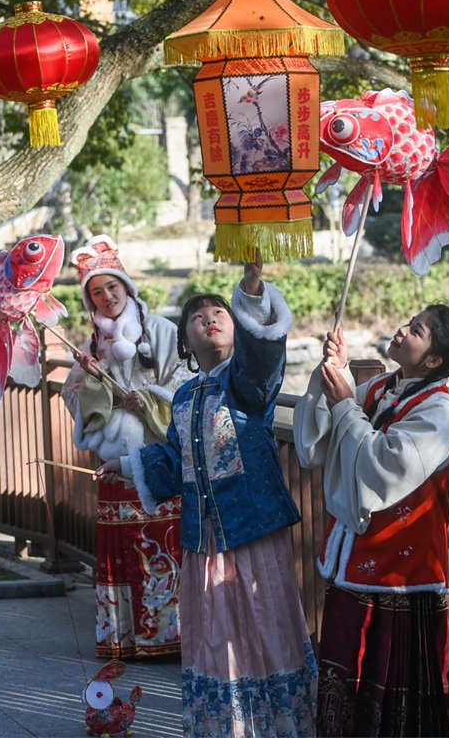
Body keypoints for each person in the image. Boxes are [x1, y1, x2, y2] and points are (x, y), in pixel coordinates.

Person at [97, 253, 318, 738]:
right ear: (186, 339)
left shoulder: (246, 385)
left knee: (265, 626)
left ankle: (279, 726)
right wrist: (125, 464)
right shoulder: (183, 397)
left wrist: (253, 290)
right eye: (198, 316)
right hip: (205, 540)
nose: (210, 319)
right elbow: (176, 463)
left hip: (252, 529)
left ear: (237, 328)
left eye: (219, 312)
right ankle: (227, 727)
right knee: (217, 634)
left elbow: (263, 361)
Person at [293, 305, 449, 737]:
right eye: (407, 322)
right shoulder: (381, 387)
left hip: (403, 571)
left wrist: (345, 404)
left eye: (415, 330)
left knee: (398, 687)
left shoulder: (440, 411)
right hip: (357, 558)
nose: (400, 329)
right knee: (348, 674)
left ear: (434, 360)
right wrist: (334, 372)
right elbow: (319, 443)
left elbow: (386, 467)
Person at [62, 235, 188, 659]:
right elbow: (72, 398)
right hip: (115, 461)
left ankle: (170, 635)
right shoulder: (89, 348)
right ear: (90, 301)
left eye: (112, 287)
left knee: (164, 542)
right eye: (96, 292)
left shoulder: (163, 331)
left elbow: (185, 382)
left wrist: (150, 397)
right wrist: (98, 388)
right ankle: (124, 637)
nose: (106, 296)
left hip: (158, 458)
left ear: (127, 287)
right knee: (121, 547)